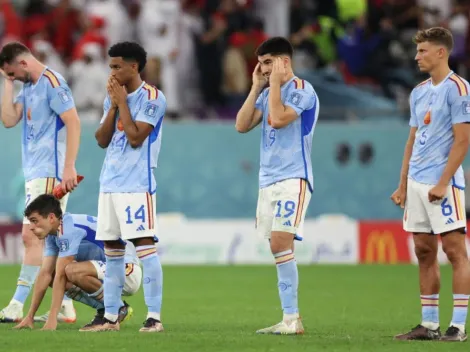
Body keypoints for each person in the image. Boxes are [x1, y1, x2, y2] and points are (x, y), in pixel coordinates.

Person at [235, 37, 319, 335]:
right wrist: (257, 86)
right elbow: (242, 125)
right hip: (268, 180)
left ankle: (292, 318)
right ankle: (289, 318)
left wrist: (273, 86)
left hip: (294, 177)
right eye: (260, 64)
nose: (264, 69)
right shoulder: (266, 90)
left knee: (280, 242)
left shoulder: (302, 90)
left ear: (285, 62)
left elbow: (279, 118)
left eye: (269, 62)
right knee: (275, 246)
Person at [392, 27, 470, 342]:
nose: (416, 57)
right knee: (423, 250)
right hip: (416, 184)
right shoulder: (419, 92)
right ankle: (429, 325)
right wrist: (402, 184)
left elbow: (463, 141)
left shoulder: (459, 89)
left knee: (454, 251)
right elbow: (412, 140)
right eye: (417, 51)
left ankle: (459, 327)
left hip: (443, 183)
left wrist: (442, 182)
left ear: (441, 52)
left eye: (422, 51)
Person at [0, 41, 80, 323]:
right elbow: (9, 120)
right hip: (35, 169)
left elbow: (73, 121)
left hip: (51, 170)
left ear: (22, 63)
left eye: (13, 73)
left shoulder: (52, 82)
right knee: (53, 240)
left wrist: (69, 166)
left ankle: (16, 305)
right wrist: (8, 85)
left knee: (31, 235)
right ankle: (67, 304)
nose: (13, 77)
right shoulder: (28, 86)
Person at [90, 41, 166, 332]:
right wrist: (112, 106)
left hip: (136, 185)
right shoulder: (111, 97)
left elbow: (136, 138)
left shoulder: (153, 98)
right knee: (111, 250)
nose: (111, 72)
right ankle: (111, 317)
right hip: (109, 183)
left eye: (117, 66)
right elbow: (101, 139)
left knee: (145, 247)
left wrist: (122, 103)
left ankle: (154, 318)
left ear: (134, 67)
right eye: (110, 66)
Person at [13, 194, 137, 331]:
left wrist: (52, 320)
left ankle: (117, 308)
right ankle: (105, 310)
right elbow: (45, 274)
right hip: (107, 270)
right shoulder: (53, 234)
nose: (31, 227)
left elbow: (62, 274)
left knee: (70, 271)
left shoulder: (68, 229)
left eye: (34, 221)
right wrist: (29, 316)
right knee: (54, 274)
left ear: (51, 217)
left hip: (127, 270)